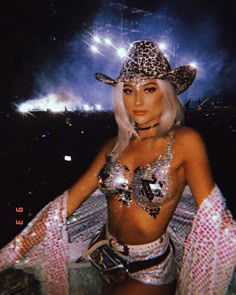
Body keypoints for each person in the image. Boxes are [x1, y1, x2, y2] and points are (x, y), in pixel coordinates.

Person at [0, 40, 235, 295]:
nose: (137, 100)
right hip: (105, 260)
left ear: (165, 94)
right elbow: (65, 205)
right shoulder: (112, 146)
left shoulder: (185, 142)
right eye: (128, 90)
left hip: (150, 269)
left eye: (149, 89)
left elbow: (214, 217)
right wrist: (15, 249)